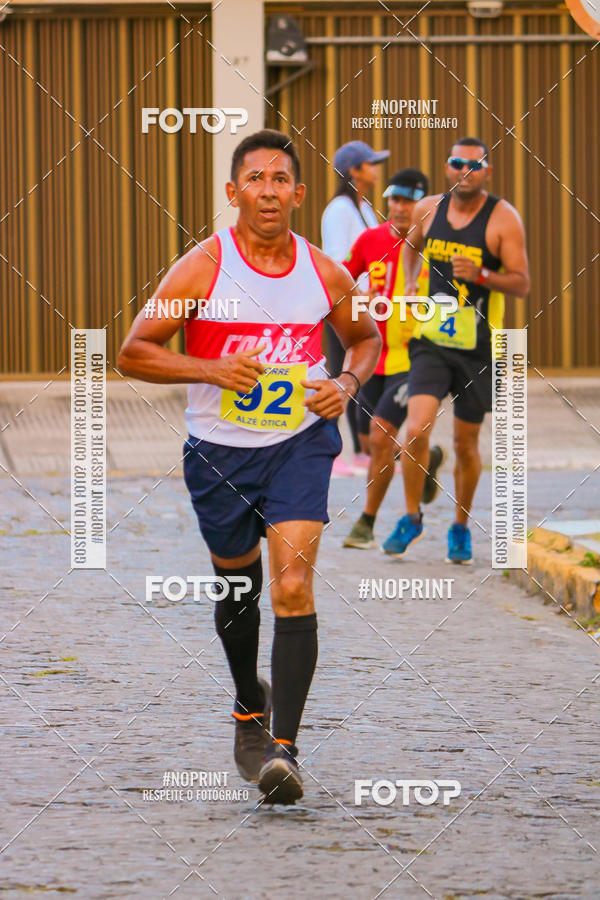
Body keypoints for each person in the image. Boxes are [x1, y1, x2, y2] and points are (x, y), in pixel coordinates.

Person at [117, 129, 381, 804]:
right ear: (234, 192)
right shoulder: (201, 268)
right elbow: (133, 351)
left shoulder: (324, 271)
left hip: (300, 444)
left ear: (298, 193)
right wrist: (211, 369)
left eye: (280, 179)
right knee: (239, 589)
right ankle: (247, 702)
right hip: (219, 453)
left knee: (292, 584)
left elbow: (364, 338)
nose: (268, 190)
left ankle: (283, 751)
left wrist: (346, 384)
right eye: (255, 179)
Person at [382, 137, 530, 563]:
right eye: (457, 163)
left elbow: (521, 283)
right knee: (415, 432)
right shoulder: (428, 209)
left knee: (466, 444)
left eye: (474, 165)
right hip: (431, 342)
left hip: (478, 349)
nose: (465, 171)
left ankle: (460, 527)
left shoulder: (503, 219)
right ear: (447, 168)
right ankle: (411, 517)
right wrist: (412, 282)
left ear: (487, 171)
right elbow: (411, 244)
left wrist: (482, 274)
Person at [341, 168, 446, 550]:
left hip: (414, 359)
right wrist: (358, 299)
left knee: (381, 433)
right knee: (373, 444)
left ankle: (367, 523)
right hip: (374, 359)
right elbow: (340, 280)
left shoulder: (438, 246)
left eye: (408, 201)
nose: (400, 207)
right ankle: (424, 459)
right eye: (394, 199)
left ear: (423, 205)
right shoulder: (370, 240)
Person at [321, 140, 389, 475]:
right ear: (355, 171)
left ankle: (363, 453)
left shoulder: (363, 208)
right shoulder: (339, 210)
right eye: (370, 163)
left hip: (364, 306)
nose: (376, 168)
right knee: (340, 374)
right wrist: (359, 294)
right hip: (342, 307)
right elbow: (337, 262)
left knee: (361, 375)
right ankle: (330, 453)